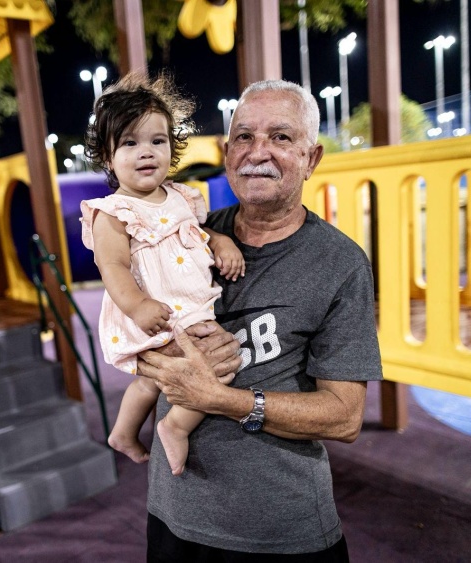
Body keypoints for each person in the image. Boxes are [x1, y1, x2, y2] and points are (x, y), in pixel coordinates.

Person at [138, 79, 383, 560]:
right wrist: (157, 359)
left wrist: (222, 399)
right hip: (173, 515)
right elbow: (128, 330)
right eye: (245, 137)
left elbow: (345, 416)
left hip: (279, 531)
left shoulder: (340, 264)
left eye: (281, 137)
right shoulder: (184, 236)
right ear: (228, 153)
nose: (258, 152)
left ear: (311, 159)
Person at [80, 73, 246, 476]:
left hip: (190, 307)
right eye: (130, 143)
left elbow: (196, 233)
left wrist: (220, 241)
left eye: (157, 141)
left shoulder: (181, 197)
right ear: (107, 157)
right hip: (154, 309)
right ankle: (174, 427)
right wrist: (137, 306)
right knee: (221, 366)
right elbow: (113, 265)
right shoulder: (113, 212)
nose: (146, 152)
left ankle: (122, 433)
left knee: (154, 382)